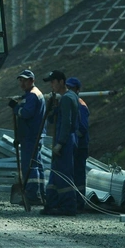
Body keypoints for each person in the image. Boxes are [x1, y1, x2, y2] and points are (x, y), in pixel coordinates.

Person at [41, 70, 79, 216]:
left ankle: (68, 207)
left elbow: (66, 124)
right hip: (64, 139)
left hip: (66, 140)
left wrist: (60, 143)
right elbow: (54, 119)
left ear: (61, 82)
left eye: (53, 82)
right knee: (55, 173)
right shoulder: (66, 98)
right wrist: (53, 108)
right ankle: (52, 203)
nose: (52, 85)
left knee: (64, 174)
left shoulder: (68, 99)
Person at [8, 69, 46, 206]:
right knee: (37, 164)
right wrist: (19, 136)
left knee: (30, 166)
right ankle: (41, 193)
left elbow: (26, 114)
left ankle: (32, 195)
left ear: (32, 81)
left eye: (25, 80)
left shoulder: (32, 96)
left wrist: (16, 108)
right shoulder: (32, 94)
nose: (22, 83)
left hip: (31, 136)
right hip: (32, 134)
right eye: (21, 80)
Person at [66, 77, 89, 212]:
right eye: (68, 88)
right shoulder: (73, 102)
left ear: (78, 90)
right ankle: (75, 200)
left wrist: (74, 138)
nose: (69, 90)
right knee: (74, 173)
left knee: (79, 173)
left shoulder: (80, 105)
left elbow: (83, 127)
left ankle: (79, 202)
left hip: (80, 146)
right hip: (76, 144)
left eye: (72, 88)